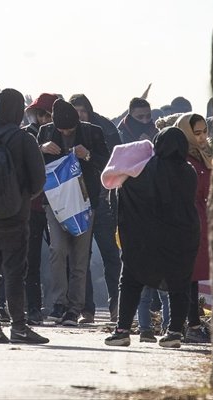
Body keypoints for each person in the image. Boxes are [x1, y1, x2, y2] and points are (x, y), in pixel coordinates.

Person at [105, 127, 200, 349]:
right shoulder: (189, 172)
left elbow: (123, 192)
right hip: (181, 239)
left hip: (144, 241)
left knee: (129, 281)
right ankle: (175, 332)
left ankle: (122, 331)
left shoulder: (144, 171)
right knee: (180, 284)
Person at [0, 89, 50, 345]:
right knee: (15, 271)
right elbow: (39, 180)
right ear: (18, 110)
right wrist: (19, 199)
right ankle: (19, 326)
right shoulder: (23, 139)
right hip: (14, 217)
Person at [38, 99, 108, 326]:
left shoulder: (92, 133)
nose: (66, 132)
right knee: (57, 249)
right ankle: (59, 302)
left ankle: (74, 308)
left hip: (84, 203)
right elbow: (33, 164)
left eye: (70, 129)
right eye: (62, 130)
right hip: (55, 202)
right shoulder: (45, 132)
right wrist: (42, 149)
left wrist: (87, 155)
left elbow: (106, 163)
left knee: (80, 257)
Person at [69, 93, 123, 323]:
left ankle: (117, 307)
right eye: (75, 111)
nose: (80, 115)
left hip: (103, 200)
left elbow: (116, 162)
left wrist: (88, 155)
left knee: (111, 254)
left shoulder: (104, 129)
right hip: (74, 201)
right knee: (81, 258)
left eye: (83, 110)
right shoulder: (62, 131)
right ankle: (86, 309)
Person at [21, 92, 56, 325]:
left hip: (60, 205)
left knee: (60, 258)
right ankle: (32, 307)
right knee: (31, 260)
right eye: (40, 113)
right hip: (33, 205)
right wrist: (39, 149)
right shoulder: (26, 136)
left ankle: (59, 306)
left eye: (48, 113)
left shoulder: (66, 136)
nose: (43, 118)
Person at [178, 112, 212, 343]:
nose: (201, 138)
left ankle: (191, 323)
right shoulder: (181, 158)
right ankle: (189, 324)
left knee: (197, 276)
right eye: (196, 133)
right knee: (188, 275)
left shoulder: (206, 155)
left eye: (204, 132)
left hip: (205, 218)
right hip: (188, 220)